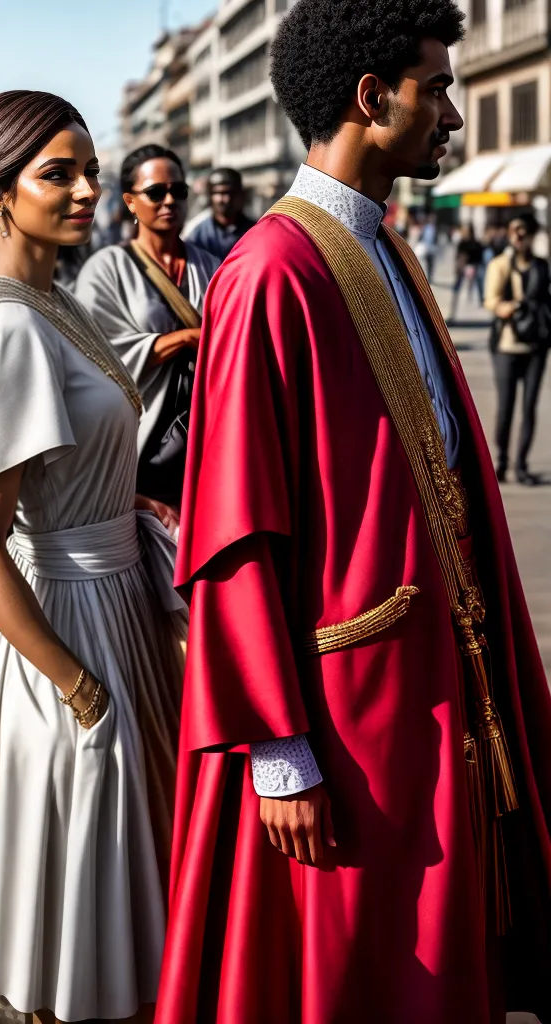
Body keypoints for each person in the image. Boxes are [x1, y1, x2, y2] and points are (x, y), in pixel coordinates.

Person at [158, 0, 551, 1021]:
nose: (454, 116)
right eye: (439, 89)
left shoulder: (389, 249)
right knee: (353, 972)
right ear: (372, 100)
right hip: (344, 719)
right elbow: (235, 532)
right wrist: (278, 753)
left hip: (432, 691)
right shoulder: (268, 273)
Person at [0, 90, 188, 1024]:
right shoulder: (9, 325)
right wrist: (77, 686)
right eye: (57, 174)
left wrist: (128, 502)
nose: (85, 192)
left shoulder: (52, 300)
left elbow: (76, 459)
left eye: (90, 173)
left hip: (117, 603)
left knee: (124, 881)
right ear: (0, 192)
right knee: (95, 885)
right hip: (68, 628)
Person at [75, 144, 219, 510]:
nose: (170, 201)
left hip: (211, 442)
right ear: (130, 201)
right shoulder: (105, 269)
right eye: (156, 192)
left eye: (179, 191)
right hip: (139, 453)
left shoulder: (215, 267)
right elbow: (93, 357)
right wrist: (184, 339)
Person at [484, 212, 551, 485]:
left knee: (529, 406)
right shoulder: (500, 265)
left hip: (537, 344)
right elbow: (491, 300)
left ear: (533, 234)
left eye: (523, 231)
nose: (518, 236)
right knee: (506, 406)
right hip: (507, 345)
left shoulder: (541, 265)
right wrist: (509, 307)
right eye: (514, 231)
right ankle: (501, 460)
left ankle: (521, 464)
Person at [182, 167, 256, 261]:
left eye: (231, 193)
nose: (226, 199)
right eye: (221, 193)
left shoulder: (255, 231)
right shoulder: (198, 236)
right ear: (210, 196)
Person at [450, 222, 484, 321]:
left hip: (472, 268)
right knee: (459, 290)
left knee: (475, 289)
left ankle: (475, 309)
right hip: (465, 269)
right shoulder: (464, 243)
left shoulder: (473, 243)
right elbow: (458, 257)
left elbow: (479, 256)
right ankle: (455, 312)